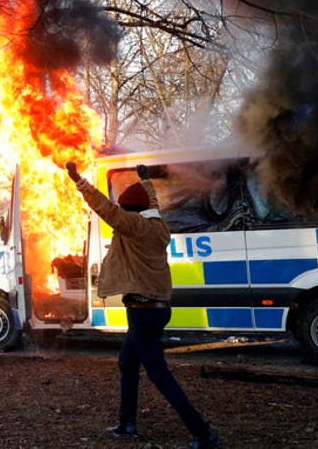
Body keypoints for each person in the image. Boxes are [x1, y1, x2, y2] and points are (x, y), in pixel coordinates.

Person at [66, 162, 219, 449]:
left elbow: (106, 209)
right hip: (155, 308)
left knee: (158, 372)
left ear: (133, 213)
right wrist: (145, 180)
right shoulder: (157, 225)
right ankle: (127, 423)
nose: (123, 213)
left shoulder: (135, 227)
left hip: (144, 312)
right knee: (127, 362)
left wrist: (80, 182)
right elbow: (152, 204)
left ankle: (202, 432)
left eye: (127, 209)